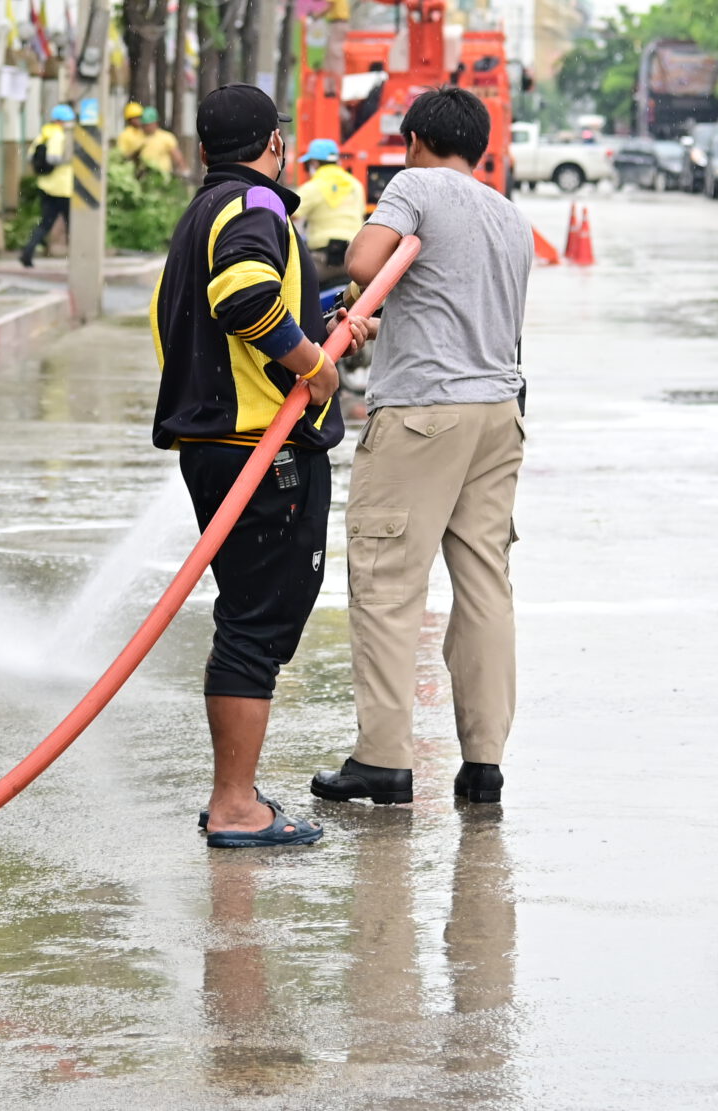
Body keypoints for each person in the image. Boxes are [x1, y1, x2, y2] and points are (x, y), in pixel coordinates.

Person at [313, 86, 531, 810]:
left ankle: (383, 759)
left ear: (413, 141)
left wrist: (359, 294)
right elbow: (458, 308)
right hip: (497, 415)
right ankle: (484, 763)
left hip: (422, 416)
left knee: (387, 582)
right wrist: (376, 319)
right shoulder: (509, 215)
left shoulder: (416, 186)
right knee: (484, 585)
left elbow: (363, 261)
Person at [150, 84, 346, 849]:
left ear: (203, 149)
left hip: (219, 449)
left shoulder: (204, 211)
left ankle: (235, 794)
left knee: (246, 618)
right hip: (259, 451)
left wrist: (321, 325)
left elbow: (235, 309)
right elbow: (242, 294)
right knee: (256, 626)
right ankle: (235, 804)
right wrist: (316, 368)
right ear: (275, 143)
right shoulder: (256, 204)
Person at [291, 138, 365, 271]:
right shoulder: (356, 186)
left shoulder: (312, 187)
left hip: (322, 260)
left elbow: (289, 215)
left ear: (314, 163)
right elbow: (361, 213)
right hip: (353, 258)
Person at [20, 102, 76, 269]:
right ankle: (77, 259)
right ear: (61, 121)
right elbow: (53, 158)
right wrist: (69, 161)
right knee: (72, 225)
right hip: (63, 188)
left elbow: (30, 157)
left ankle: (27, 252)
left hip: (45, 185)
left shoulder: (43, 133)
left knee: (46, 223)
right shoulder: (59, 135)